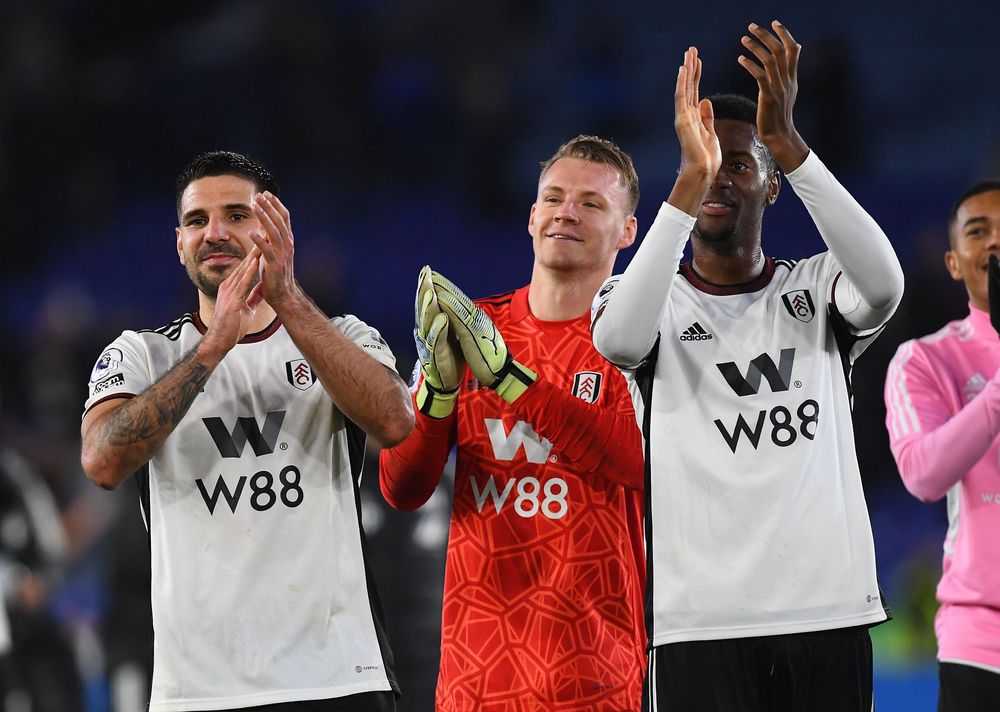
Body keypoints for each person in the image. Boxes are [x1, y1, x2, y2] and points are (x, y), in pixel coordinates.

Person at [590, 22, 904, 712]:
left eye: (740, 163)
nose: (719, 177)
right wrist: (687, 180)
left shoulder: (817, 289)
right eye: (705, 159)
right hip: (698, 621)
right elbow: (617, 343)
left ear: (773, 186)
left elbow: (885, 285)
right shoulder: (641, 298)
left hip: (827, 610)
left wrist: (790, 143)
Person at [79, 151, 414, 712]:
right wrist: (213, 348)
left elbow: (394, 421)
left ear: (274, 228)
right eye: (196, 221)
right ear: (179, 242)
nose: (215, 233)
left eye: (237, 215)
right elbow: (102, 462)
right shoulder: (141, 353)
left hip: (337, 676)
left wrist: (285, 298)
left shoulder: (342, 334)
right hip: (199, 689)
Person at [379, 135, 646, 710]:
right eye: (553, 198)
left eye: (591, 203)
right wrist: (440, 395)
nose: (566, 212)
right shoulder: (477, 330)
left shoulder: (636, 345)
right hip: (477, 684)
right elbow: (401, 488)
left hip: (596, 683)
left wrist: (507, 379)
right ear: (531, 218)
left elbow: (634, 461)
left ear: (628, 232)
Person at [884, 181, 1000, 711]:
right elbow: (923, 475)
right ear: (954, 262)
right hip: (982, 647)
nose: (996, 242)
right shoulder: (925, 361)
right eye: (980, 231)